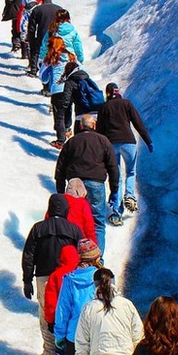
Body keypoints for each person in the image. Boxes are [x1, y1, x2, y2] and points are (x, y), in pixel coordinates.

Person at [22, 194, 82, 355]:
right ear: (65, 209)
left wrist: (27, 280)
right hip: (69, 278)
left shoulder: (38, 229)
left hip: (44, 277)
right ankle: (69, 352)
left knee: (45, 314)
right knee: (68, 314)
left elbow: (28, 255)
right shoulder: (74, 229)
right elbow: (82, 254)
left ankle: (49, 354)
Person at [54, 115, 119, 257]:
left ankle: (74, 259)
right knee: (97, 223)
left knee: (73, 222)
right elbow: (113, 166)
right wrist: (114, 189)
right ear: (94, 126)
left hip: (74, 184)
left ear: (81, 126)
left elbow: (60, 167)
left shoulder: (72, 142)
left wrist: (60, 191)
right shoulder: (103, 141)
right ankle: (97, 261)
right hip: (96, 183)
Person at [53, 238, 102, 355]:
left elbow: (62, 311)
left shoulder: (70, 280)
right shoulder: (102, 279)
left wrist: (59, 336)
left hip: (74, 335)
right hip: (97, 332)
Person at [96, 82, 153, 226]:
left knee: (116, 177)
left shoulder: (103, 107)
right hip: (128, 142)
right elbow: (138, 123)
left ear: (107, 93)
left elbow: (100, 131)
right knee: (131, 172)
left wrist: (99, 150)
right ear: (118, 91)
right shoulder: (126, 104)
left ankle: (116, 210)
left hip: (111, 144)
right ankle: (130, 196)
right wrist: (148, 141)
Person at [42, 244, 80, 355]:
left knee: (60, 354)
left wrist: (50, 320)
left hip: (60, 322)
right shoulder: (80, 274)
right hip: (79, 324)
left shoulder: (56, 275)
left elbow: (50, 301)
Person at [39, 37, 77, 150]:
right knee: (68, 108)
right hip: (70, 88)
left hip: (57, 89)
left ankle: (60, 141)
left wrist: (46, 80)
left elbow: (42, 75)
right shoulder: (71, 56)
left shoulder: (51, 58)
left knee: (59, 115)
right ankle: (67, 129)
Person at [61, 62, 105, 134]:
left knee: (80, 142)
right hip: (96, 115)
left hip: (81, 117)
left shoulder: (70, 82)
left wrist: (65, 122)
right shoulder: (87, 78)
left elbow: (66, 102)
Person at [26, 0, 62, 76]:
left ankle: (34, 70)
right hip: (56, 36)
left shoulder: (37, 10)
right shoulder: (59, 9)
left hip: (42, 35)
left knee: (36, 51)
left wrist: (31, 39)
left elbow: (32, 27)